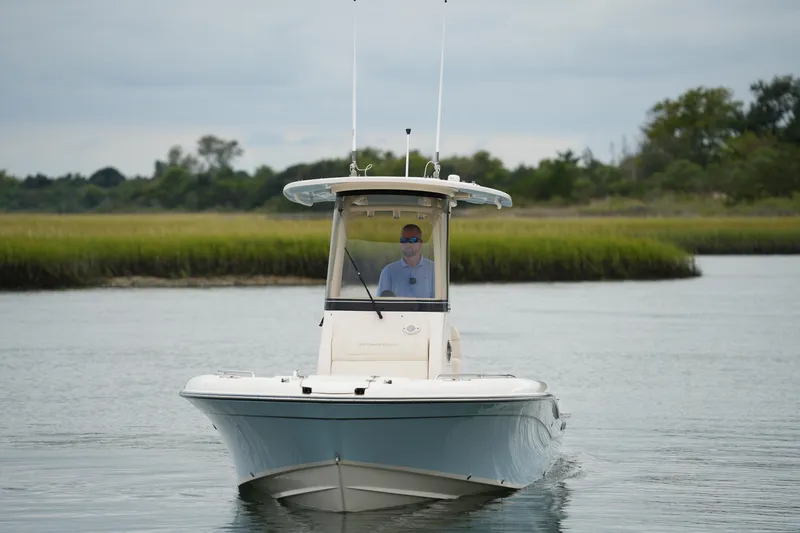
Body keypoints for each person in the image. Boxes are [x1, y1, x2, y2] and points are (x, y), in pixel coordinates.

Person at [377, 223, 435, 298]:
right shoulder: (388, 271)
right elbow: (382, 304)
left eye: (412, 240)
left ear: (420, 243)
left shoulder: (433, 269)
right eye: (403, 240)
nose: (407, 243)